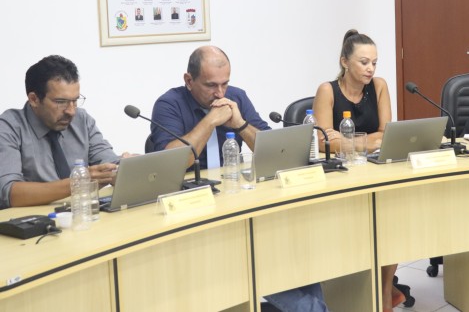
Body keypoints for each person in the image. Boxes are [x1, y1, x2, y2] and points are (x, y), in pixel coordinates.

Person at [151, 46, 328, 311]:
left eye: (225, 83)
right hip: (193, 209)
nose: (220, 93)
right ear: (189, 80)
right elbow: (170, 162)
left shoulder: (236, 97)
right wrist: (210, 121)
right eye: (211, 85)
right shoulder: (168, 104)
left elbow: (272, 149)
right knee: (259, 258)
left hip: (236, 198)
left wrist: (241, 124)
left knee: (296, 248)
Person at [312, 29, 401, 312]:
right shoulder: (328, 91)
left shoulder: (379, 86)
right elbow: (323, 142)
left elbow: (387, 134)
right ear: (345, 62)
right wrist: (367, 140)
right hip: (339, 176)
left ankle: (385, 289)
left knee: (392, 221)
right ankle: (362, 289)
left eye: (374, 62)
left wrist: (349, 141)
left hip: (374, 170)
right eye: (364, 62)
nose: (370, 68)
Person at [0, 55, 121, 209]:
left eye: (75, 100)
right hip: (35, 219)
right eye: (60, 102)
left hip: (80, 213)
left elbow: (107, 159)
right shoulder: (9, 127)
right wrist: (79, 183)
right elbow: (9, 193)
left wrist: (122, 168)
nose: (71, 111)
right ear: (34, 99)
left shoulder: (81, 119)